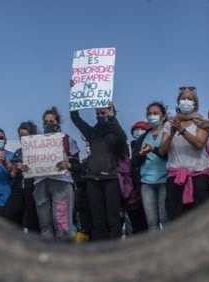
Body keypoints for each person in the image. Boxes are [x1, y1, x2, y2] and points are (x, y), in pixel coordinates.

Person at [70, 84, 128, 240]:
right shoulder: (92, 133)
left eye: (104, 112)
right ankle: (99, 251)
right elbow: (75, 118)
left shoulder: (115, 133)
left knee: (113, 219)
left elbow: (123, 138)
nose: (101, 115)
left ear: (110, 113)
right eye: (98, 113)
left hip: (111, 180)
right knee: (98, 220)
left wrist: (112, 117)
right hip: (93, 181)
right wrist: (74, 93)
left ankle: (114, 251)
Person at [158, 87, 209, 220]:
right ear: (178, 102)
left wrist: (181, 130)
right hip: (175, 180)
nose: (185, 101)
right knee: (176, 219)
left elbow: (199, 144)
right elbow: (162, 150)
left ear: (195, 104)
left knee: (200, 219)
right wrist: (171, 133)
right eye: (183, 98)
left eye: (189, 99)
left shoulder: (202, 123)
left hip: (198, 179)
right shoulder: (169, 124)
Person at [29, 107, 81, 241]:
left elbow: (77, 164)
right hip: (40, 184)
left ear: (58, 123)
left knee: (62, 225)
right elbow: (30, 162)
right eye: (45, 122)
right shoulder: (35, 142)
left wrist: (68, 165)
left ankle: (65, 255)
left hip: (61, 184)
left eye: (51, 121)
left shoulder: (67, 140)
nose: (48, 124)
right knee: (45, 226)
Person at [131, 103, 169, 232]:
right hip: (147, 183)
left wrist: (153, 149)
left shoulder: (168, 133)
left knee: (166, 219)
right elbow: (134, 161)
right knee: (152, 222)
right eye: (149, 114)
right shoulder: (143, 137)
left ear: (163, 117)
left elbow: (169, 155)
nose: (152, 116)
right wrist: (141, 155)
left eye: (155, 113)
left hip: (165, 181)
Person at [0, 121, 40, 233]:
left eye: (25, 137)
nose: (22, 140)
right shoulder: (18, 152)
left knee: (32, 224)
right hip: (17, 190)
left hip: (33, 190)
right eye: (20, 137)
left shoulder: (40, 151)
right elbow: (12, 174)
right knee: (6, 216)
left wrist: (30, 168)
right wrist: (15, 168)